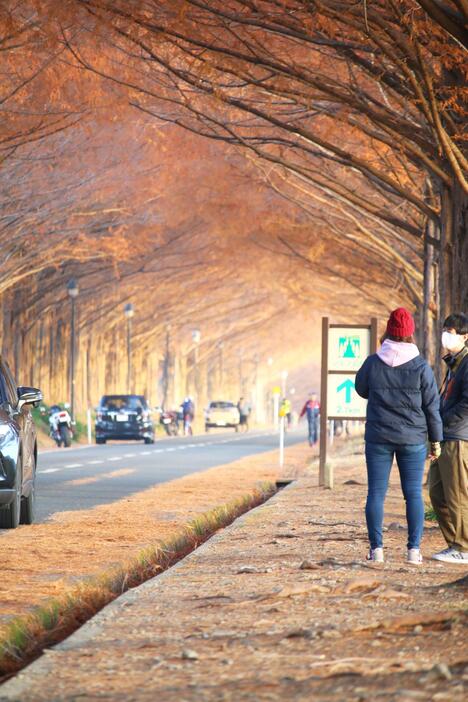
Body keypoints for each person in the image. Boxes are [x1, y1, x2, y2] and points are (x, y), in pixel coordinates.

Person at [355, 307, 442, 564]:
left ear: (388, 331)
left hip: (379, 437)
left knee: (376, 493)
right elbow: (432, 406)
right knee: (413, 493)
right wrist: (436, 440)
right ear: (410, 333)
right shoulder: (421, 366)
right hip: (413, 439)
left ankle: (377, 550)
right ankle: (414, 551)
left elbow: (361, 388)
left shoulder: (373, 362)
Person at [429, 312, 468, 564]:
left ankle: (463, 547)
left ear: (465, 336)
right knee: (437, 493)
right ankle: (454, 543)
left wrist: (441, 421)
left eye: (451, 332)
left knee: (457, 495)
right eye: (444, 329)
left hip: (458, 437)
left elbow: (466, 405)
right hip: (444, 437)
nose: (446, 335)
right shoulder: (454, 363)